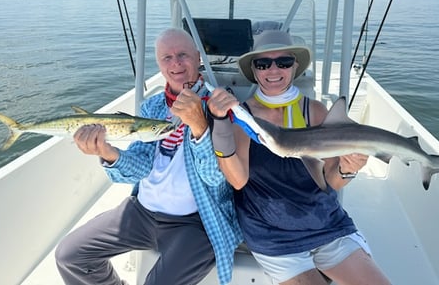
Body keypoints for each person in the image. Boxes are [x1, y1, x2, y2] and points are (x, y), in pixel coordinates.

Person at [55, 28, 242, 285]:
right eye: (166, 58)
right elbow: (141, 166)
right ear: (159, 64)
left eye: (183, 55)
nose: (175, 63)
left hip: (196, 222)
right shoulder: (151, 107)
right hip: (141, 213)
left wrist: (199, 127)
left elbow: (216, 179)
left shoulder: (220, 105)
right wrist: (107, 152)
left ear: (198, 57)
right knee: (71, 255)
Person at [207, 30, 391, 285]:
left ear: (295, 67)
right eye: (263, 63)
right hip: (272, 231)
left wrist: (348, 169)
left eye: (283, 62)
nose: (273, 70)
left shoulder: (315, 110)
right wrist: (220, 123)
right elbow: (238, 181)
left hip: (325, 223)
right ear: (255, 69)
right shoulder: (245, 118)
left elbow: (331, 182)